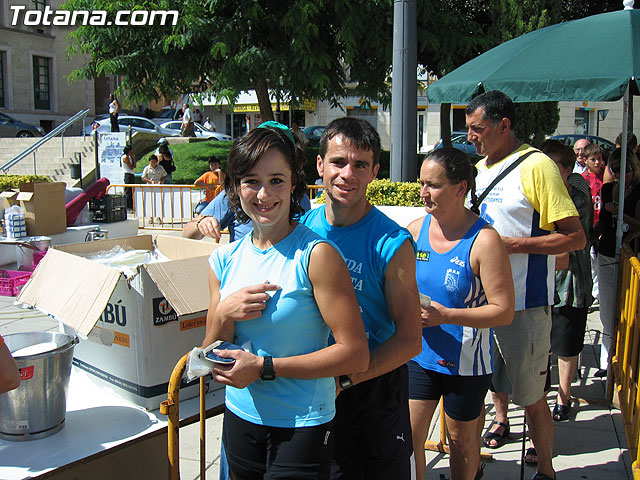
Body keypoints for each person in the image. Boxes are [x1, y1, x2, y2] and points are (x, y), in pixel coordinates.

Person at [202, 124, 370, 480]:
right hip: (240, 416)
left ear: (294, 183)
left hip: (302, 424)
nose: (264, 194)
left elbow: (356, 354)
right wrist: (224, 312)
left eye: (276, 180)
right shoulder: (224, 260)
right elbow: (210, 353)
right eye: (251, 181)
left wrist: (265, 368)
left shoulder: (316, 256)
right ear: (235, 186)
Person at [466, 90, 585, 480]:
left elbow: (575, 237)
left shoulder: (538, 166)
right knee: (479, 391)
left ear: (504, 126)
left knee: (532, 399)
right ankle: (478, 457)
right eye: (468, 129)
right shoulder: (479, 169)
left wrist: (513, 245)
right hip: (481, 306)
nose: (471, 137)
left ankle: (546, 472)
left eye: (477, 128)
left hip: (525, 305)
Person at [300, 117, 422, 479]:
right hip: (314, 383)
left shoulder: (392, 242)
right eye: (338, 162)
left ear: (375, 173)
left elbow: (410, 339)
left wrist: (349, 380)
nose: (347, 174)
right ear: (320, 165)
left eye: (360, 165)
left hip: (373, 390)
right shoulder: (302, 228)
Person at [407, 148, 515, 480]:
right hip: (418, 356)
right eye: (422, 183)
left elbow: (504, 311)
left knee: (461, 444)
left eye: (434, 185)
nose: (424, 192)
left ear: (460, 188)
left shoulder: (484, 240)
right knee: (410, 441)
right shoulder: (413, 230)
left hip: (466, 364)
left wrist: (448, 316)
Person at [541, 140, 593, 422]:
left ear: (567, 169)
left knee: (566, 343)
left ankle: (564, 397)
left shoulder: (578, 196)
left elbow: (572, 239)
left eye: (552, 167)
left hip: (570, 282)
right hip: (541, 282)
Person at [595, 148, 640, 376]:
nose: (621, 174)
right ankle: (607, 361)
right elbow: (602, 223)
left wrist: (621, 215)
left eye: (626, 170)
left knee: (628, 313)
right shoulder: (608, 189)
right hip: (606, 254)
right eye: (615, 170)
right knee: (606, 311)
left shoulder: (638, 191)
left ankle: (625, 361)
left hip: (631, 256)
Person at [581, 143, 605, 305]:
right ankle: (589, 292)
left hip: (601, 225)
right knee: (589, 261)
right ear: (586, 161)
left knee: (597, 263)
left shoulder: (605, 177)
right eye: (593, 159)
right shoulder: (582, 180)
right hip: (589, 226)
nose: (597, 163)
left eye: (599, 159)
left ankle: (597, 294)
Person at [121, 145, 136, 210]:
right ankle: (128, 206)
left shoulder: (130, 157)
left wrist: (133, 158)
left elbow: (134, 166)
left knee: (132, 191)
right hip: (128, 175)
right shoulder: (125, 157)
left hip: (132, 174)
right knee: (128, 191)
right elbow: (131, 167)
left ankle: (132, 205)